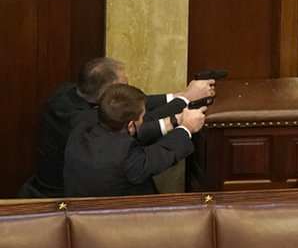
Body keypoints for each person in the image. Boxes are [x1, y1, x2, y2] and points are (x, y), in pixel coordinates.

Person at [19, 57, 216, 198]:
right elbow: (162, 153)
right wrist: (186, 126)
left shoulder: (78, 116)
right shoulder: (118, 151)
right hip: (79, 208)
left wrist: (180, 99)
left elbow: (129, 110)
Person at [63, 83, 206, 197]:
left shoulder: (80, 130)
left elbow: (127, 136)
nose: (144, 121)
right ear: (131, 125)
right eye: (142, 118)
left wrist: (174, 121)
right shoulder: (125, 154)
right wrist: (187, 127)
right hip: (121, 225)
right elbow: (162, 154)